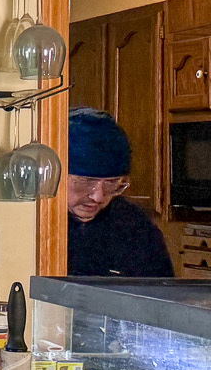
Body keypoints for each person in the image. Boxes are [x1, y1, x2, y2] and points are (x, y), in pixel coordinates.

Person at [65, 107, 173, 278]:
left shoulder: (136, 227)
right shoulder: (33, 224)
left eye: (112, 184)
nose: (98, 197)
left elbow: (162, 297)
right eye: (85, 182)